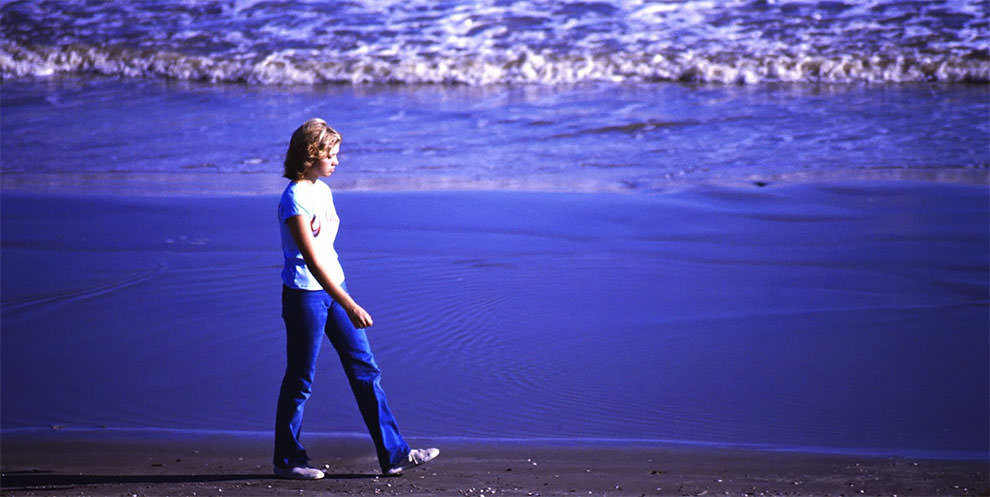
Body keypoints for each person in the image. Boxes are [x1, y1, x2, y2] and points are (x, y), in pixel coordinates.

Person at [273, 118, 439, 479]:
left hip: (335, 290)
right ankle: (287, 459)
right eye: (331, 154)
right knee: (301, 378)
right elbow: (312, 261)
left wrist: (344, 296)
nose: (337, 161)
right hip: (306, 295)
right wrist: (349, 303)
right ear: (311, 154)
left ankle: (394, 454)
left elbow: (327, 252)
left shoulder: (322, 191)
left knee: (365, 369)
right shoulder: (294, 198)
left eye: (337, 154)